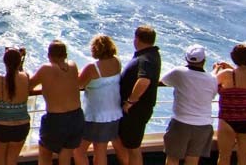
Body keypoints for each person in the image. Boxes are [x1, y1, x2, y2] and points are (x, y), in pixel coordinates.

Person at [160, 45, 218, 165]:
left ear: (186, 59)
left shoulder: (179, 72)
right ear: (204, 60)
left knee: (173, 159)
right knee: (192, 160)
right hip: (203, 125)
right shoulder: (212, 79)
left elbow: (163, 81)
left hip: (181, 123)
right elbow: (211, 94)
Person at [29, 40, 84, 165]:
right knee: (65, 154)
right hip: (76, 117)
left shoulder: (46, 69)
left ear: (49, 56)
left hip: (56, 119)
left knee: (44, 152)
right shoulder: (73, 65)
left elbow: (29, 86)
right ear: (65, 55)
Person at [114, 26, 161, 165]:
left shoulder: (146, 59)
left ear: (137, 39)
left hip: (135, 111)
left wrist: (130, 102)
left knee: (133, 147)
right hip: (136, 111)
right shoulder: (150, 55)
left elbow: (144, 80)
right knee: (127, 144)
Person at [74, 35, 123, 165]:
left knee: (79, 151)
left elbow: (79, 85)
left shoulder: (92, 68)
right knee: (101, 150)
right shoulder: (117, 62)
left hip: (96, 116)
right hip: (114, 113)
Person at [212, 44, 246, 165]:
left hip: (229, 118)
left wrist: (216, 69)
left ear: (234, 57)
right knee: (244, 156)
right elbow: (244, 76)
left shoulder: (227, 74)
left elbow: (210, 83)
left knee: (224, 156)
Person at [0, 47, 30, 165]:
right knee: (12, 162)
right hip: (21, 126)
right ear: (19, 63)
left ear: (4, 62)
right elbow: (19, 75)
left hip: (0, 127)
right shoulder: (25, 77)